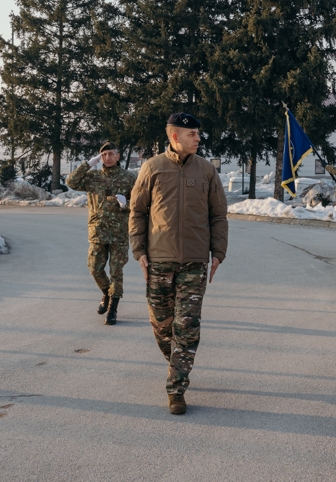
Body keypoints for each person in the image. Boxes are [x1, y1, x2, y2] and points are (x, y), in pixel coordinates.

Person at [129, 113, 228, 415]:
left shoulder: (207, 170)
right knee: (162, 327)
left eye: (198, 134)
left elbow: (218, 215)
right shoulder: (153, 168)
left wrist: (218, 252)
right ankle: (177, 362)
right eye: (191, 134)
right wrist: (139, 249)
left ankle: (176, 388)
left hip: (194, 263)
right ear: (175, 136)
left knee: (186, 327)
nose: (198, 138)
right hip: (158, 260)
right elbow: (137, 211)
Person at [66, 142, 137, 325]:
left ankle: (113, 308)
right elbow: (71, 182)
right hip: (97, 232)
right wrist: (88, 164)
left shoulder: (129, 178)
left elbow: (142, 202)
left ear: (118, 156)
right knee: (94, 268)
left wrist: (126, 203)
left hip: (119, 234)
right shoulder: (92, 177)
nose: (107, 157)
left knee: (116, 272)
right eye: (104, 154)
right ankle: (106, 292)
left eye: (111, 154)